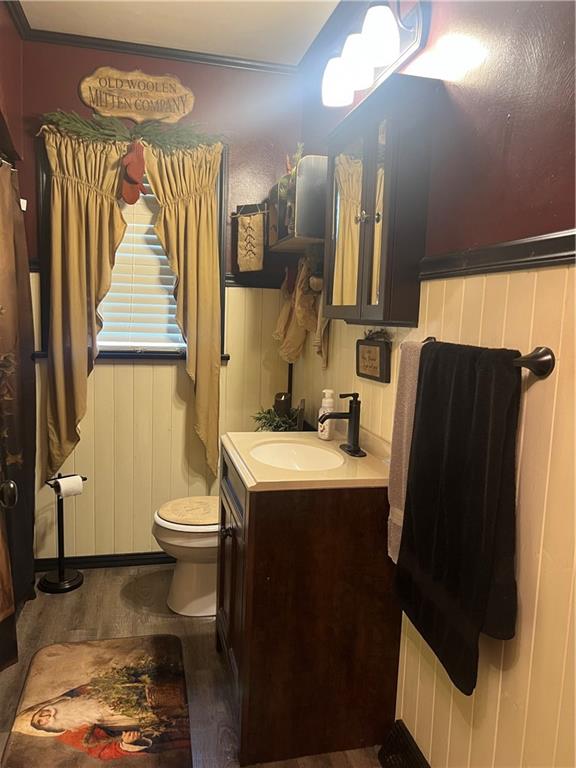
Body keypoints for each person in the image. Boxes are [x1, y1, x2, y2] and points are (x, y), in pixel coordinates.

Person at [13, 682, 190, 761]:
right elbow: (102, 752)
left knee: (180, 691)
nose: (46, 717)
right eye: (41, 722)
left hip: (146, 695)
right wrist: (126, 744)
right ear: (45, 730)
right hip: (140, 724)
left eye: (41, 714)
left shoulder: (73, 695)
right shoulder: (70, 736)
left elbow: (103, 683)